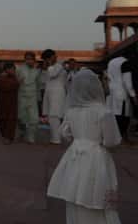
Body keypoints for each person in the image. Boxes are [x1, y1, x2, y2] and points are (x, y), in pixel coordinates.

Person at [47, 69, 123, 223]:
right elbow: (112, 141)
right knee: (95, 194)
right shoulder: (104, 111)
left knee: (75, 192)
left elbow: (64, 133)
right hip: (96, 157)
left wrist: (79, 140)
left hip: (74, 156)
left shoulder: (71, 111)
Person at [106, 54, 135, 141]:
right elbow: (127, 82)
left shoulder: (111, 62)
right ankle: (123, 138)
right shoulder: (125, 63)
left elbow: (108, 77)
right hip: (122, 92)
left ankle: (115, 137)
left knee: (115, 114)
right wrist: (133, 95)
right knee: (123, 115)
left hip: (112, 90)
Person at [42, 49, 68, 145]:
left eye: (47, 59)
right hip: (49, 92)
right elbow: (44, 81)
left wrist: (48, 65)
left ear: (52, 57)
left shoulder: (59, 65)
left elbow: (53, 74)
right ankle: (54, 137)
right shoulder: (50, 67)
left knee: (55, 115)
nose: (47, 61)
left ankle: (56, 139)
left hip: (57, 93)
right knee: (50, 116)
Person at [16, 52, 41, 144]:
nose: (29, 61)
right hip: (21, 96)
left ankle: (31, 137)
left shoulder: (37, 71)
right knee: (21, 117)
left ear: (34, 60)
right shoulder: (19, 69)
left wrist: (39, 98)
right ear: (24, 59)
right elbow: (15, 82)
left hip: (33, 97)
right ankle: (22, 133)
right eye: (27, 59)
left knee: (34, 118)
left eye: (31, 59)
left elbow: (38, 85)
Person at [0, 62, 19, 144]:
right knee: (3, 120)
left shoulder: (14, 77)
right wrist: (17, 83)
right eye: (12, 69)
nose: (13, 71)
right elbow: (6, 87)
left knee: (11, 120)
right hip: (4, 102)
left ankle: (9, 137)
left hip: (12, 103)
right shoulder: (2, 78)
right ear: (7, 70)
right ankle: (6, 136)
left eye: (14, 69)